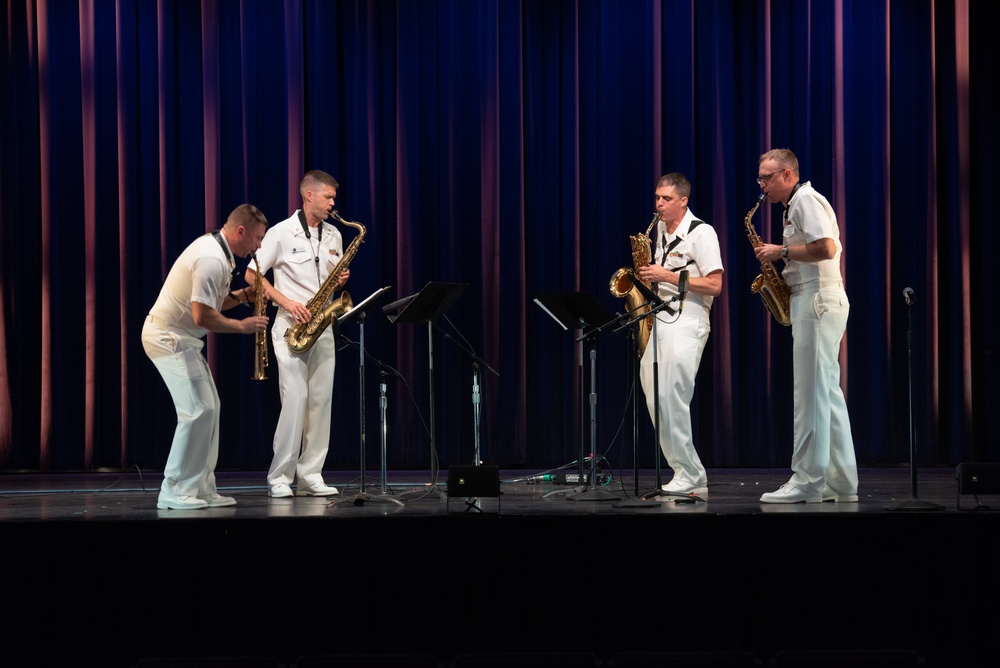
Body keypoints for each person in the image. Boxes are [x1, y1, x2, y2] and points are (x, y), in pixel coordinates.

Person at [142, 203, 270, 510]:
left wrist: (240, 297)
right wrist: (243, 326)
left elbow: (214, 302)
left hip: (183, 339)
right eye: (257, 238)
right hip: (167, 337)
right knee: (197, 410)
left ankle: (200, 487)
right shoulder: (211, 258)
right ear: (240, 231)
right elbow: (202, 316)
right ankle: (174, 490)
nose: (259, 246)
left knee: (210, 408)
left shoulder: (221, 253)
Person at [753, 148, 859, 503]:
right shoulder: (798, 203)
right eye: (761, 178)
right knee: (827, 394)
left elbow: (826, 248)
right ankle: (842, 482)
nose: (762, 185)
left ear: (786, 175)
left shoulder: (804, 200)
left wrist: (779, 252)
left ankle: (807, 481)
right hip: (819, 298)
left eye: (766, 177)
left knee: (810, 395)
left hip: (815, 298)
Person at [246, 170, 349, 498]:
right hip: (290, 327)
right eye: (328, 197)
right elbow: (252, 275)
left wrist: (339, 282)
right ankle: (279, 477)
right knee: (296, 401)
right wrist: (285, 301)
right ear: (309, 196)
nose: (333, 202)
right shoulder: (281, 232)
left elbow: (326, 278)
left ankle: (311, 475)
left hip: (323, 327)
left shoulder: (335, 235)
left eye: (334, 197)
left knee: (321, 402)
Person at [636, 173, 724, 495]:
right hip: (660, 316)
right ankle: (683, 469)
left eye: (666, 199)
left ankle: (690, 472)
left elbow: (715, 285)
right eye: (657, 197)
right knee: (653, 393)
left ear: (683, 201)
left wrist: (668, 277)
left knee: (673, 395)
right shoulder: (658, 230)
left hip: (689, 316)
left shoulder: (702, 232)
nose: (659, 204)